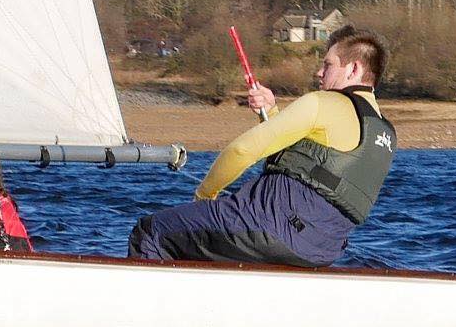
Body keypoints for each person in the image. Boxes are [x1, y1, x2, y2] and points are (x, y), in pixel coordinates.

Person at [129, 25, 394, 268]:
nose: (319, 72)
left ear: (354, 69)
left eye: (328, 65)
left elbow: (241, 151)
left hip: (266, 229)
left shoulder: (322, 103)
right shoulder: (384, 133)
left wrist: (204, 197)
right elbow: (313, 163)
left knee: (150, 231)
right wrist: (270, 111)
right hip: (320, 251)